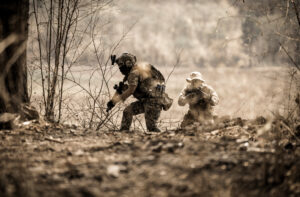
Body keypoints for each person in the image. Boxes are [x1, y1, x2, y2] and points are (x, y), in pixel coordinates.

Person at [106, 53, 173, 132]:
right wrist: (112, 102)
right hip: (146, 101)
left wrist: (114, 101)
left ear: (128, 63)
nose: (120, 68)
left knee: (152, 128)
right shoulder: (133, 73)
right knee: (127, 111)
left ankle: (162, 140)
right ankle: (123, 132)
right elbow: (121, 89)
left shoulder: (134, 73)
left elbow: (131, 90)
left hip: (153, 102)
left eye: (121, 65)